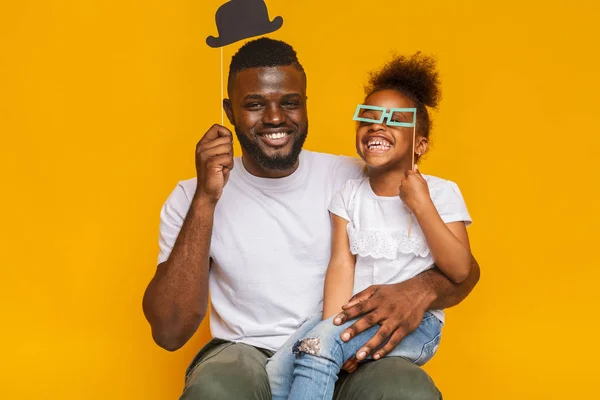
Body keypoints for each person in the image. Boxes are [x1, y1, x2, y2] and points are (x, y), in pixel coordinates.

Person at [142, 38, 480, 400]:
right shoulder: (192, 195)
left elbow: (464, 272)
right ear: (229, 111)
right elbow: (169, 331)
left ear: (305, 106)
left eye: (289, 103)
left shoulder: (360, 179)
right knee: (217, 387)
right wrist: (206, 200)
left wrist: (418, 290)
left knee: (404, 389)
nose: (274, 117)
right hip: (246, 352)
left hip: (349, 351)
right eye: (255, 104)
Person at [266, 52, 473, 400]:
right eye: (369, 118)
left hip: (416, 325)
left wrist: (422, 206)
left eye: (394, 120)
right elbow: (342, 265)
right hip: (353, 315)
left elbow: (459, 268)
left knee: (317, 353)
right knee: (277, 374)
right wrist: (330, 327)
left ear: (419, 145)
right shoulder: (348, 195)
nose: (377, 125)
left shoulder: (440, 192)